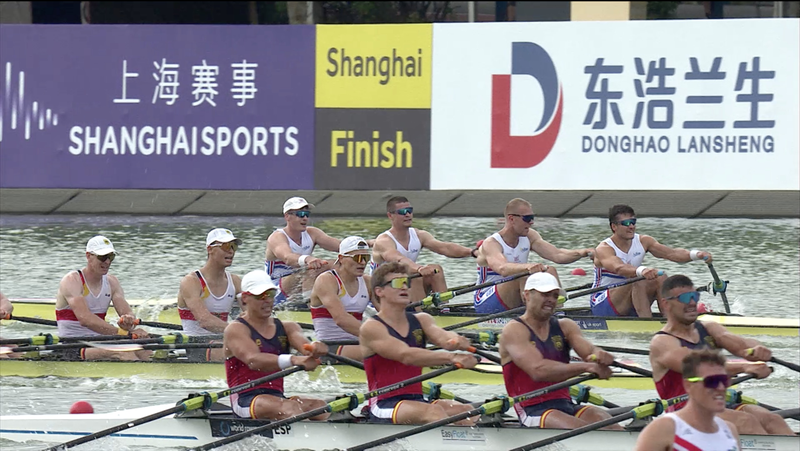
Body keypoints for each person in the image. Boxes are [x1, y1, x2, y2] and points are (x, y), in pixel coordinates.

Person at [649, 274, 793, 435]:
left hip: (719, 404)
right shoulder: (662, 342)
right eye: (684, 298)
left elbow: (743, 347)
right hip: (685, 412)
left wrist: (757, 349)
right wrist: (745, 366)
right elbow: (700, 369)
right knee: (747, 422)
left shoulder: (709, 328)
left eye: (694, 296)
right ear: (666, 304)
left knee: (772, 420)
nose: (691, 303)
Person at [499, 272, 623, 430]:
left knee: (606, 422)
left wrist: (598, 355)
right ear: (527, 295)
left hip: (566, 405)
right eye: (545, 294)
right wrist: (586, 367)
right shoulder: (514, 330)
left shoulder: (566, 326)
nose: (551, 299)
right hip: (532, 410)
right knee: (582, 431)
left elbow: (588, 352)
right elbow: (538, 370)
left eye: (555, 295)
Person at [360, 261, 479, 425]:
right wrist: (452, 357)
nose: (404, 287)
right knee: (436, 412)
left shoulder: (422, 320)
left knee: (466, 411)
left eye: (406, 283)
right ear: (379, 291)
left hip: (417, 400)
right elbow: (406, 355)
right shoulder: (372, 327)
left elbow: (442, 337)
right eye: (397, 283)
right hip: (385, 404)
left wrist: (455, 340)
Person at [224, 269, 331, 421]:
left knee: (320, 406)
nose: (267, 300)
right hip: (245, 400)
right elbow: (253, 360)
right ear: (245, 298)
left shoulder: (287, 327)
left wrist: (315, 348)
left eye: (271, 295)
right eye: (261, 296)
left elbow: (305, 346)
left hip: (276, 397)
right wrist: (293, 360)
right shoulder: (236, 329)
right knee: (290, 408)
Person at [474, 198, 593, 314]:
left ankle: (557, 313)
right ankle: (534, 315)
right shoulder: (491, 243)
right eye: (527, 218)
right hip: (486, 300)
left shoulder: (529, 236)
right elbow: (503, 268)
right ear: (511, 219)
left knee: (550, 270)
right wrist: (528, 267)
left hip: (512, 297)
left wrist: (583, 252)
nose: (531, 222)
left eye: (532, 217)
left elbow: (558, 255)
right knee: (521, 275)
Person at [591, 204, 712, 318]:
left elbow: (672, 253)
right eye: (626, 223)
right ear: (614, 226)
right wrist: (642, 270)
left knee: (660, 276)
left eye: (633, 222)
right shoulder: (604, 248)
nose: (631, 226)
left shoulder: (644, 241)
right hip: (603, 303)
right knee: (637, 279)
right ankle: (646, 323)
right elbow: (618, 268)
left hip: (631, 297)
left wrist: (697, 254)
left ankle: (670, 319)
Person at [54, 236, 150, 361]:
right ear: (88, 256)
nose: (107, 262)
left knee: (146, 350)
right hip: (72, 345)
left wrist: (129, 322)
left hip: (100, 340)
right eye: (103, 257)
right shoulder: (72, 280)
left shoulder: (112, 282)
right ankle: (140, 378)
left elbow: (126, 312)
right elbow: (86, 319)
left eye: (111, 257)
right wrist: (123, 334)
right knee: (125, 353)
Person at [368, 196, 477, 302]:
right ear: (390, 216)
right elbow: (399, 259)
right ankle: (420, 314)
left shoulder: (419, 235)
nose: (407, 214)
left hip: (402, 284)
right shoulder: (384, 241)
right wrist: (419, 268)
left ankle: (444, 310)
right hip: (382, 290)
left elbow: (445, 247)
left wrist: (472, 252)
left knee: (436, 270)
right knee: (414, 276)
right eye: (402, 212)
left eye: (410, 210)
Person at [635, 350, 741, 451]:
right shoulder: (664, 429)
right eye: (711, 381)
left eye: (724, 380)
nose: (721, 388)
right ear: (689, 385)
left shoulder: (730, 430)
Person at [177, 228, 242, 362]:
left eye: (233, 246)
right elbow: (205, 321)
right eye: (225, 246)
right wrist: (241, 331)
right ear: (210, 249)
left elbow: (251, 312)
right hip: (196, 345)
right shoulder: (191, 282)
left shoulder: (235, 282)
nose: (231, 250)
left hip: (222, 341)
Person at [264, 197, 341, 305]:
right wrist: (307, 259)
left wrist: (369, 243)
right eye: (300, 214)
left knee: (338, 264)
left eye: (307, 214)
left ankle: (343, 298)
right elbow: (288, 257)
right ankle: (309, 305)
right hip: (275, 289)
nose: (305, 218)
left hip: (299, 283)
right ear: (287, 216)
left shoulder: (312, 233)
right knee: (312, 268)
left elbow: (343, 246)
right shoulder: (277, 237)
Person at [309, 236, 373, 361]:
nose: (363, 263)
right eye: (358, 258)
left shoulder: (367, 281)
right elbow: (341, 319)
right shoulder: (327, 280)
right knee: (385, 350)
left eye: (366, 258)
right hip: (330, 348)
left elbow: (384, 314)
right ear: (341, 258)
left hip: (356, 344)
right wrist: (380, 337)